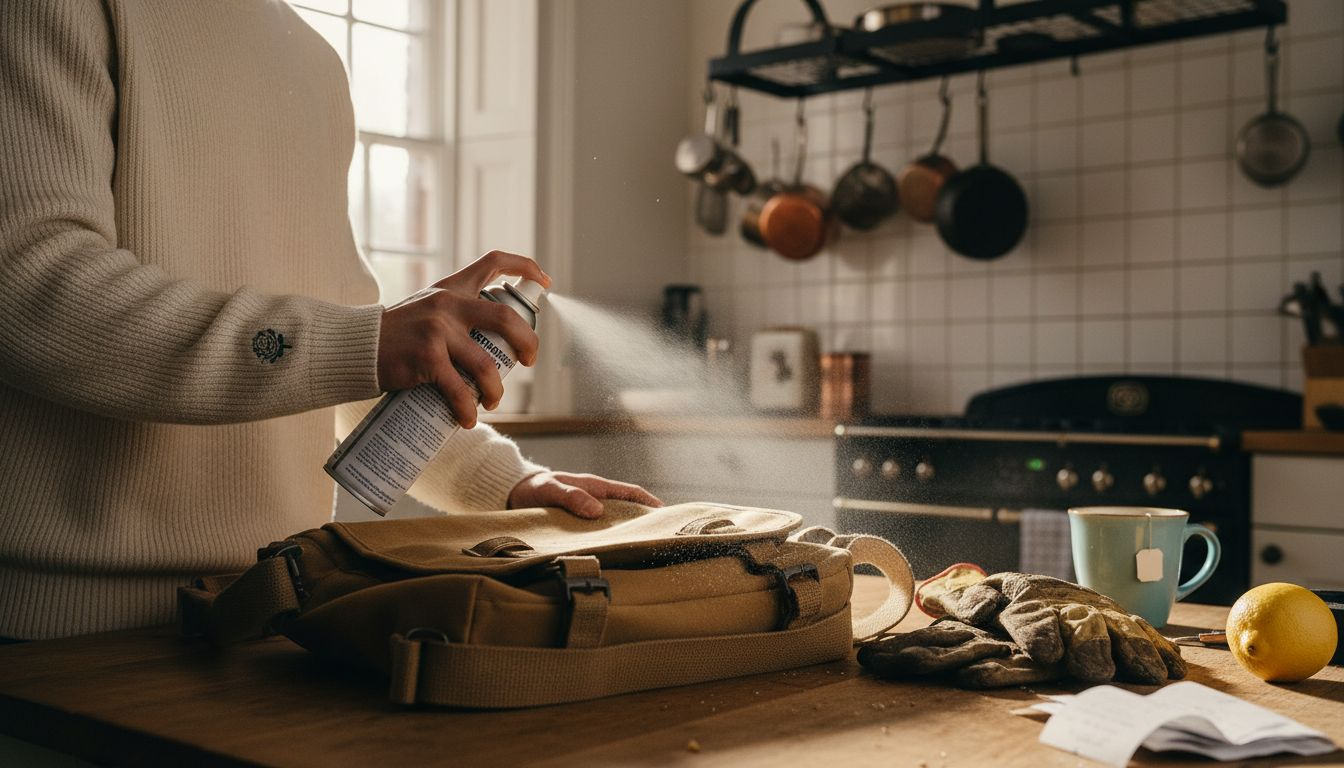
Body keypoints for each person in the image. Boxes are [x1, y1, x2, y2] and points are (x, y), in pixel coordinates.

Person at [0, 0, 659, 641]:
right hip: (64, 635)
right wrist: (363, 340)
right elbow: (25, 285)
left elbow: (335, 363)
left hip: (277, 606)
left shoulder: (314, 62)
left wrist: (507, 483)